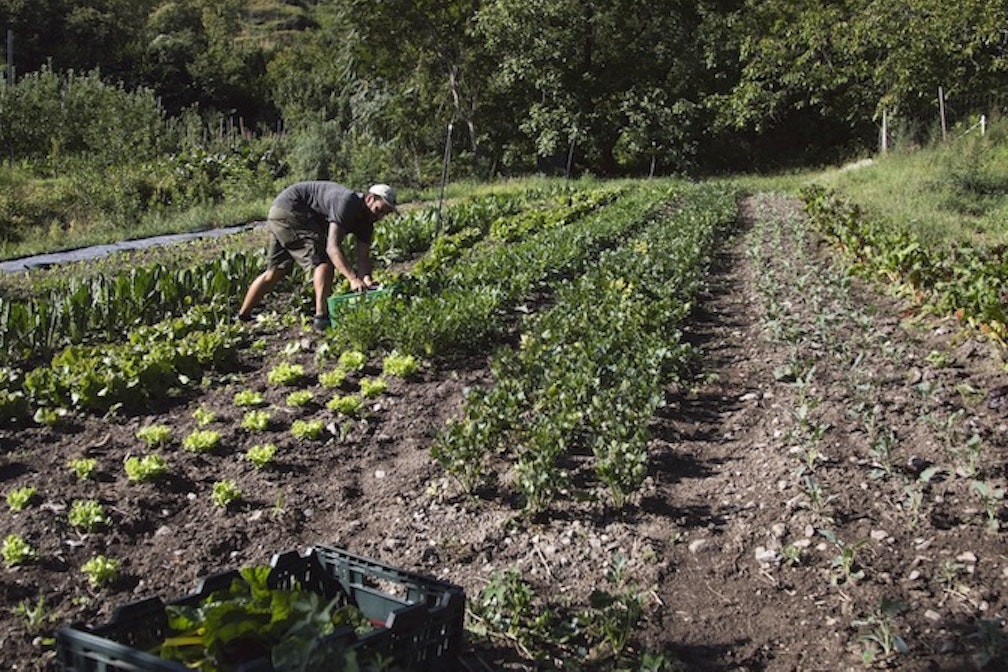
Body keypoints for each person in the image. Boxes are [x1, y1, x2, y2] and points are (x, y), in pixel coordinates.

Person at [237, 181, 399, 331]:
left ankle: (242, 316)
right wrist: (352, 278)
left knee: (275, 271)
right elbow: (332, 247)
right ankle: (321, 318)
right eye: (380, 210)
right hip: (292, 211)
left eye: (385, 213)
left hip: (280, 212)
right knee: (323, 262)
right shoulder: (348, 202)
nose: (380, 216)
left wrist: (367, 280)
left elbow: (363, 257)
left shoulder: (367, 222)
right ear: (370, 198)